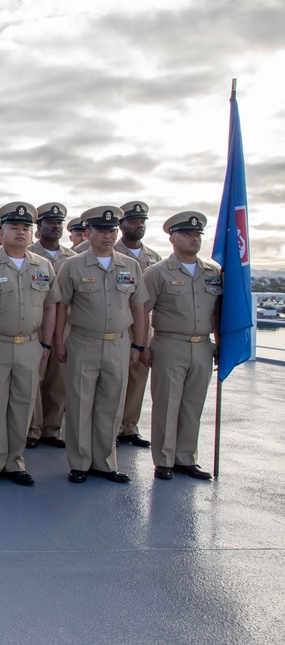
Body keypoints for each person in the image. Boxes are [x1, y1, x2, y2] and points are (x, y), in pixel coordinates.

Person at [0, 203, 59, 487]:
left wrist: (46, 343)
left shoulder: (43, 266)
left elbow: (52, 306)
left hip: (30, 345)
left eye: (26, 228)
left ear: (32, 233)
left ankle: (15, 462)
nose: (21, 232)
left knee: (23, 404)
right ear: (2, 231)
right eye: (14, 227)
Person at [54, 205, 148, 484]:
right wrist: (58, 342)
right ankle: (80, 463)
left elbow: (139, 308)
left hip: (119, 344)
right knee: (80, 404)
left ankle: (105, 463)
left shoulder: (130, 266)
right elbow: (61, 307)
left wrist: (139, 345)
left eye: (112, 230)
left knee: (112, 405)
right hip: (84, 342)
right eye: (102, 230)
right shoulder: (73, 265)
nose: (108, 236)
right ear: (89, 233)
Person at [142, 212, 220, 481]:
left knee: (192, 405)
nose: (194, 239)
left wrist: (220, 344)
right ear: (172, 238)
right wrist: (142, 345)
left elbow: (220, 313)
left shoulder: (213, 273)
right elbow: (142, 311)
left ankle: (186, 458)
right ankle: (164, 460)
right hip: (169, 344)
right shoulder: (157, 273)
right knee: (166, 404)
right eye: (187, 235)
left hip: (202, 347)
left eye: (197, 235)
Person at [25, 202, 76, 449]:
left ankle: (51, 429)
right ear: (39, 227)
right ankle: (32, 429)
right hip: (37, 326)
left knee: (58, 380)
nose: (55, 227)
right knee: (35, 379)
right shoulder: (29, 254)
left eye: (59, 224)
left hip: (64, 327)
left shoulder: (72, 258)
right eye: (50, 223)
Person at [114, 201, 162, 448]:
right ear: (121, 225)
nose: (139, 225)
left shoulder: (153, 257)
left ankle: (129, 427)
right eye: (133, 221)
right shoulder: (109, 251)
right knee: (113, 380)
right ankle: (110, 427)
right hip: (117, 327)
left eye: (142, 221)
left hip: (144, 329)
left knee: (137, 379)